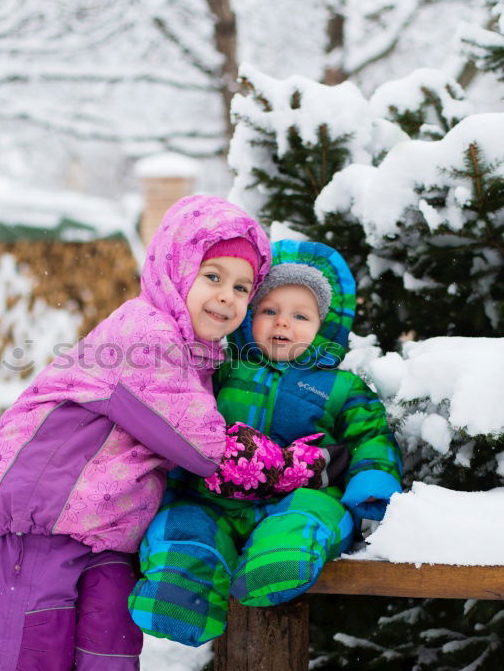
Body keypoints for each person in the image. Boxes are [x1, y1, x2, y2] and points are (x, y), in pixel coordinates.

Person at [0, 198, 337, 671]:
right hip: (45, 516)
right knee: (25, 654)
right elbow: (205, 446)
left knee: (107, 653)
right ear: (175, 270)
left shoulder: (199, 356)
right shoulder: (145, 337)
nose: (227, 298)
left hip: (109, 529)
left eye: (242, 287)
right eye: (212, 277)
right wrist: (300, 464)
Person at [129, 239, 403, 647]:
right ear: (248, 316)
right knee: (187, 524)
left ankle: (278, 560)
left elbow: (370, 438)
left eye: (300, 316)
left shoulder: (341, 388)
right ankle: (181, 586)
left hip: (297, 496)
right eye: (269, 311)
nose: (282, 324)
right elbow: (181, 415)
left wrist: (373, 492)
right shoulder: (219, 369)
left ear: (324, 325)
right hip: (215, 498)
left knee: (313, 514)